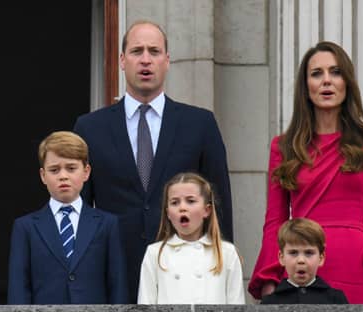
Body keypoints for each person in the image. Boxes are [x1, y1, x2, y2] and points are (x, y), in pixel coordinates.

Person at [73, 20, 233, 303]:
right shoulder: (90, 128)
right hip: (114, 274)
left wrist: (220, 270)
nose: (146, 60)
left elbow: (219, 204)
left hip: (185, 276)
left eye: (154, 51)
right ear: (122, 60)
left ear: (167, 60)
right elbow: (80, 212)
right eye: (136, 51)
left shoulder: (200, 124)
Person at [248, 41, 363, 304]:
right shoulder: (283, 146)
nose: (327, 81)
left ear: (347, 82)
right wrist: (269, 282)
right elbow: (274, 222)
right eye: (317, 74)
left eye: (335, 72)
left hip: (356, 270)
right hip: (299, 271)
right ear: (306, 86)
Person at [7, 131, 128, 304]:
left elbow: (117, 285)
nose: (63, 176)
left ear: (86, 172)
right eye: (54, 170)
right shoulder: (25, 227)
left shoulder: (107, 224)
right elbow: (18, 287)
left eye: (71, 168)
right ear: (43, 175)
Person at [137, 172, 244, 304]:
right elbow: (145, 303)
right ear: (168, 213)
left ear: (207, 210)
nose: (182, 208)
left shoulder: (226, 253)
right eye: (175, 202)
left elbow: (236, 304)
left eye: (190, 201)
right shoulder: (155, 253)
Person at [261, 218, 348, 304]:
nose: (301, 260)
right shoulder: (269, 302)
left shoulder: (336, 299)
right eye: (293, 253)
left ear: (321, 258)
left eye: (309, 253)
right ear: (281, 257)